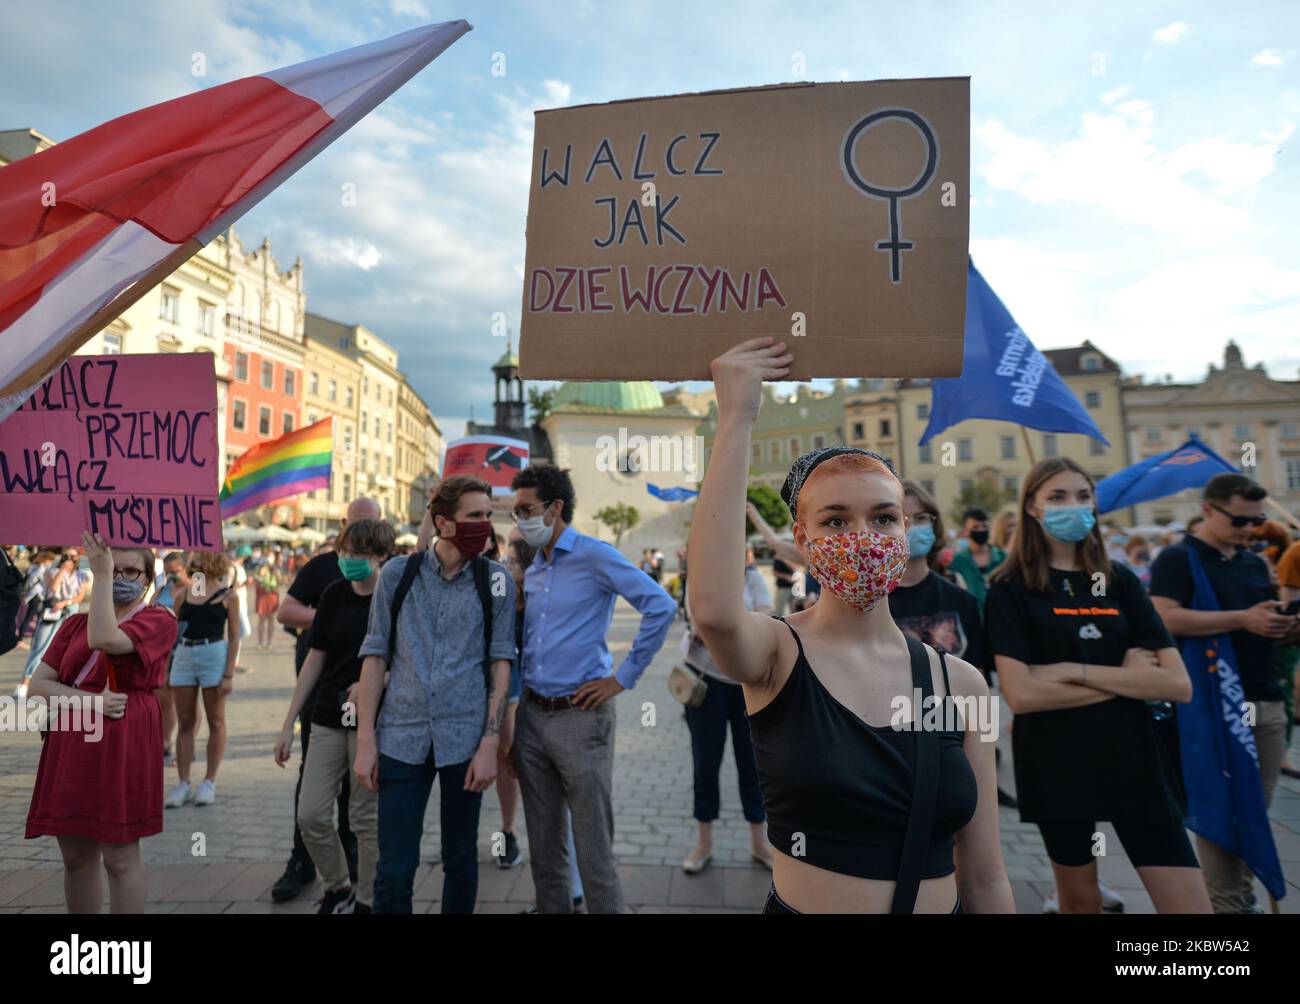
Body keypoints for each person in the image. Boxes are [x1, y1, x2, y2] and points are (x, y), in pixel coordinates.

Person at [690, 338, 1012, 914]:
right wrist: (736, 416)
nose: (862, 537)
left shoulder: (962, 684)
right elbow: (713, 611)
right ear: (804, 540)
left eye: (883, 518)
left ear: (906, 531)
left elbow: (986, 874)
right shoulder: (778, 654)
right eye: (836, 520)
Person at [985, 457, 1210, 914]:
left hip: (1137, 759)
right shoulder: (1010, 587)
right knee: (1081, 901)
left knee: (1189, 906)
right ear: (1032, 507)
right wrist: (1131, 681)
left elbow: (1177, 684)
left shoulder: (1119, 579)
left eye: (1083, 496)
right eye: (1058, 497)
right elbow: (1023, 696)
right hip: (1057, 761)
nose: (1074, 506)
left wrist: (1072, 670)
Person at [508, 464, 677, 914]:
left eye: (526, 510)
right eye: (515, 512)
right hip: (533, 715)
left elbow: (660, 606)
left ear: (556, 507)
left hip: (581, 718)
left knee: (593, 847)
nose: (519, 519)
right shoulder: (535, 566)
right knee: (544, 846)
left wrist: (623, 678)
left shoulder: (594, 555)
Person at [353, 476, 515, 914]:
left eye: (488, 515)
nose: (484, 525)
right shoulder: (397, 574)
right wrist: (365, 740)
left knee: (460, 861)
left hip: (465, 739)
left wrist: (490, 742)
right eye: (474, 516)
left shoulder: (496, 581)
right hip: (400, 737)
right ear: (443, 523)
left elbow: (502, 661)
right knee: (394, 870)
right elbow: (374, 654)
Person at [1149, 473, 1300, 913]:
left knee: (1253, 812)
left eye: (1255, 521)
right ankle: (1228, 905)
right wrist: (1242, 619)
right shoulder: (1177, 558)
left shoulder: (1253, 561)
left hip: (1266, 700)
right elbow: (1166, 619)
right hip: (1211, 705)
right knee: (1221, 812)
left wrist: (1282, 626)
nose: (1249, 530)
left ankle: (1237, 898)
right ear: (1209, 509)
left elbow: (1257, 621)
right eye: (1239, 520)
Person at [26, 532, 179, 912]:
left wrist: (103, 572)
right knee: (76, 855)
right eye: (115, 568)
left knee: (119, 858)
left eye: (132, 571)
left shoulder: (159, 620)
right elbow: (39, 687)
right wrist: (92, 702)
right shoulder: (71, 625)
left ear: (147, 580)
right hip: (74, 739)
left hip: (124, 740)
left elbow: (104, 637)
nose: (121, 577)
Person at [274, 518, 395, 914]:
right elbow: (315, 657)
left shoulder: (393, 597)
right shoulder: (333, 594)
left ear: (380, 556)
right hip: (328, 715)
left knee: (364, 820)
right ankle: (337, 886)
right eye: (345, 551)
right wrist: (289, 723)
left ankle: (368, 899)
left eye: (359, 553)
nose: (349, 559)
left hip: (373, 721)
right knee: (310, 813)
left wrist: (378, 681)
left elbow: (409, 659)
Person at [679, 545, 774, 874]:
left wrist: (731, 630)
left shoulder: (753, 579)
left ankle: (759, 841)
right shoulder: (701, 580)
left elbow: (767, 616)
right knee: (705, 763)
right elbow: (698, 621)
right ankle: (703, 842)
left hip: (748, 684)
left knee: (753, 765)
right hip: (707, 684)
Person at [165, 550, 241, 808]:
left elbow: (234, 637)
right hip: (185, 654)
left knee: (215, 720)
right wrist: (166, 664)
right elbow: (170, 630)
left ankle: (209, 781)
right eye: (190, 562)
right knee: (185, 722)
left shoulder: (228, 595)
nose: (190, 565)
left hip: (214, 654)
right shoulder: (184, 593)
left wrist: (229, 674)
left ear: (210, 563)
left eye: (195, 562)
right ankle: (183, 783)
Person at [16, 553, 87, 700]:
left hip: (71, 611)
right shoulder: (51, 572)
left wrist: (66, 602)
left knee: (70, 649)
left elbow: (80, 596)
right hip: (52, 612)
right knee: (41, 647)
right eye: (67, 556)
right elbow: (54, 588)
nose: (70, 560)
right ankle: (25, 682)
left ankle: (62, 684)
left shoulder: (82, 575)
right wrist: (62, 571)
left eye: (74, 557)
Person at [948, 509, 1005, 615]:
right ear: (965, 531)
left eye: (984, 526)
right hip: (971, 620)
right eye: (975, 527)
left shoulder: (1003, 558)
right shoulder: (957, 561)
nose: (981, 530)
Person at [253, 552, 283, 650]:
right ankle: (260, 642)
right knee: (261, 619)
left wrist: (275, 571)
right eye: (267, 556)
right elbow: (256, 579)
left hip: (273, 594)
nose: (268, 559)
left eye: (271, 556)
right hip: (262, 594)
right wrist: (262, 571)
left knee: (271, 619)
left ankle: (269, 642)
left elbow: (280, 582)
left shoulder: (276, 568)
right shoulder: (260, 567)